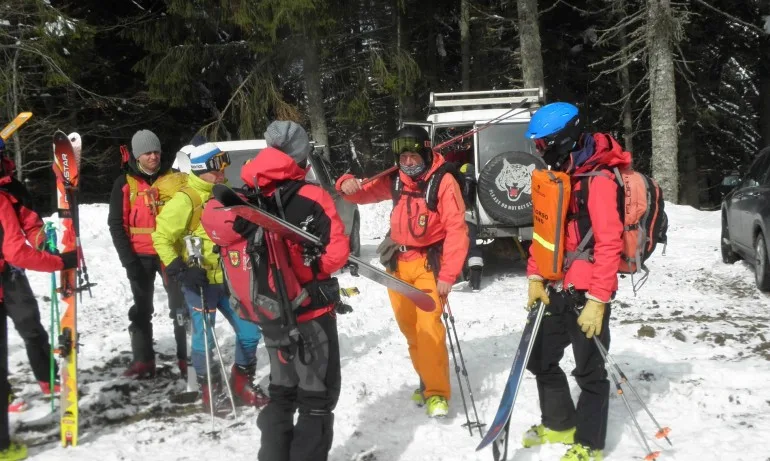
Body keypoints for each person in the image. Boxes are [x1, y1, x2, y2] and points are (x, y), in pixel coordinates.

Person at [214, 120, 349, 461]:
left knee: (283, 391)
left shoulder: (246, 192)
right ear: (301, 154)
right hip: (310, 313)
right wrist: (314, 269)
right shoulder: (311, 195)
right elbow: (336, 254)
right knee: (317, 397)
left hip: (269, 312)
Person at [337, 125, 469, 418]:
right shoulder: (396, 180)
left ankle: (437, 393)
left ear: (425, 151)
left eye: (413, 156)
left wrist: (448, 275)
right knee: (410, 330)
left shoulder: (443, 182)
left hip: (428, 267)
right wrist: (345, 182)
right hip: (397, 265)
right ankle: (426, 379)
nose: (408, 162)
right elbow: (361, 194)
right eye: (403, 157)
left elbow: (457, 230)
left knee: (429, 329)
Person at [522, 102, 627, 461]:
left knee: (589, 372)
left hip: (587, 291)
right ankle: (559, 422)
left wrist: (598, 300)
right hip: (556, 287)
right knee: (540, 358)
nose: (539, 150)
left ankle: (589, 444)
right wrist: (536, 275)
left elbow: (611, 243)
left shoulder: (598, 180)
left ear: (562, 139)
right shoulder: (561, 176)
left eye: (542, 143)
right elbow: (545, 232)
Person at [152, 142, 267, 411]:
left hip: (229, 279)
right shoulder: (186, 199)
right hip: (200, 281)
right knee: (204, 337)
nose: (224, 172)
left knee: (250, 332)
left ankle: (241, 381)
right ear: (204, 169)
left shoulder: (223, 193)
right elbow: (160, 237)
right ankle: (209, 389)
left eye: (225, 165)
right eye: (218, 167)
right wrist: (180, 269)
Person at [0, 136, 78, 461]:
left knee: (31, 327)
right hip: (11, 266)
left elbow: (29, 222)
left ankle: (47, 380)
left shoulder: (11, 187)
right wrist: (56, 262)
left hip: (12, 276)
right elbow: (14, 246)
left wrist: (44, 240)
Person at [107, 129, 188, 378]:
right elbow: (116, 224)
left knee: (181, 308)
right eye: (147, 153)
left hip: (171, 253)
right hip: (140, 257)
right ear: (136, 155)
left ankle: (186, 359)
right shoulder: (125, 183)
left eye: (156, 151)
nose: (153, 157)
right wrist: (127, 260)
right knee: (142, 309)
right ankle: (143, 360)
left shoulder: (175, 178)